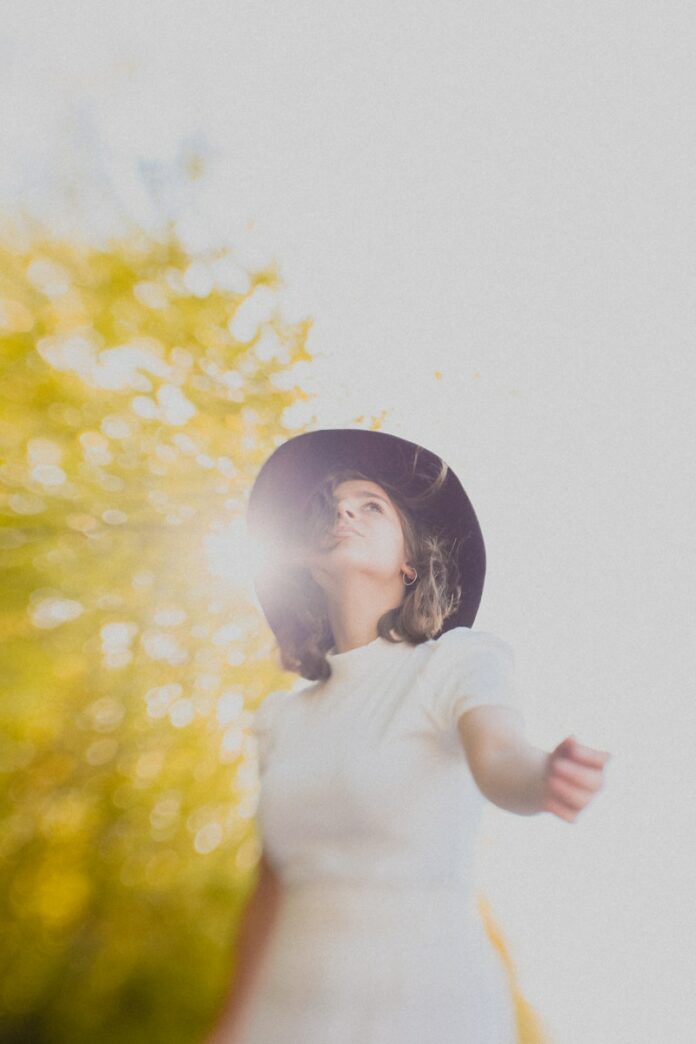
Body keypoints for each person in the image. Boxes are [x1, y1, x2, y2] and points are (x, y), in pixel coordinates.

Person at [204, 428, 611, 1044]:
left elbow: (500, 756)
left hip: (421, 1000)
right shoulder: (279, 720)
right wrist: (231, 1026)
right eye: (329, 504)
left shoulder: (455, 661)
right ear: (306, 565)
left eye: (371, 505)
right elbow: (271, 885)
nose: (343, 510)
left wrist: (544, 776)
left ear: (409, 562)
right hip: (285, 1012)